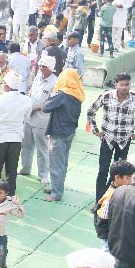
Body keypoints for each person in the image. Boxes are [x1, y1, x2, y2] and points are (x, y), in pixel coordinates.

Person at [85, 73, 135, 203]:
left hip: (124, 140)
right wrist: (95, 130)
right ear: (116, 85)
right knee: (103, 171)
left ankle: (110, 200)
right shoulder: (106, 96)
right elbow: (91, 111)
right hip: (107, 139)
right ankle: (99, 201)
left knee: (118, 173)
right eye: (121, 85)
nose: (124, 87)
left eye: (127, 85)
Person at [0, 73, 32, 196]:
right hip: (15, 138)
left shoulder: (1, 98)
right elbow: (26, 116)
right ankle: (10, 197)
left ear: (8, 85)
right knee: (12, 170)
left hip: (0, 137)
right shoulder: (26, 100)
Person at [42, 69, 84, 201]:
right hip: (69, 131)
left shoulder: (63, 94)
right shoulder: (77, 93)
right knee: (63, 162)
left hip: (58, 132)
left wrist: (54, 93)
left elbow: (46, 107)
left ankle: (56, 193)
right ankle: (57, 186)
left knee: (56, 163)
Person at [19, 56, 54, 190]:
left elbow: (51, 102)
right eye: (40, 66)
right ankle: (25, 168)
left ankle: (43, 174)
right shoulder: (37, 77)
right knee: (26, 145)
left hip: (42, 119)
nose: (41, 68)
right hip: (29, 117)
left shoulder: (54, 82)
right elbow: (31, 93)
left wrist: (37, 108)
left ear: (50, 68)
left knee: (42, 148)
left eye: (44, 66)